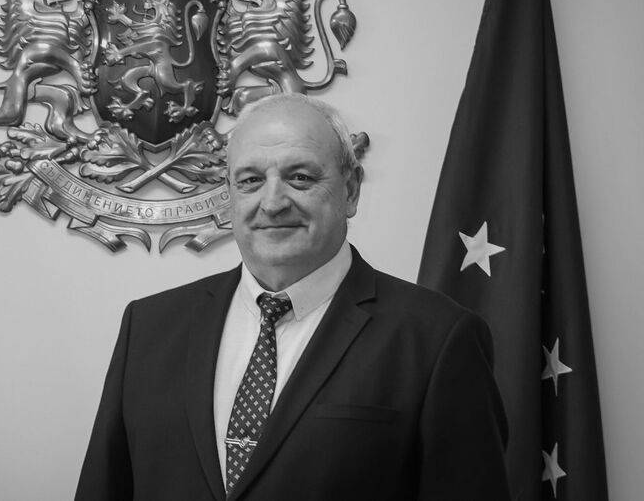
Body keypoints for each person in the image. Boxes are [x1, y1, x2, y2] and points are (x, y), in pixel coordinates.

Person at [74, 94, 510, 500]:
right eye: (250, 180)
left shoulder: (437, 338)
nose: (273, 202)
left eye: (300, 177)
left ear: (351, 190)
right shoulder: (149, 327)